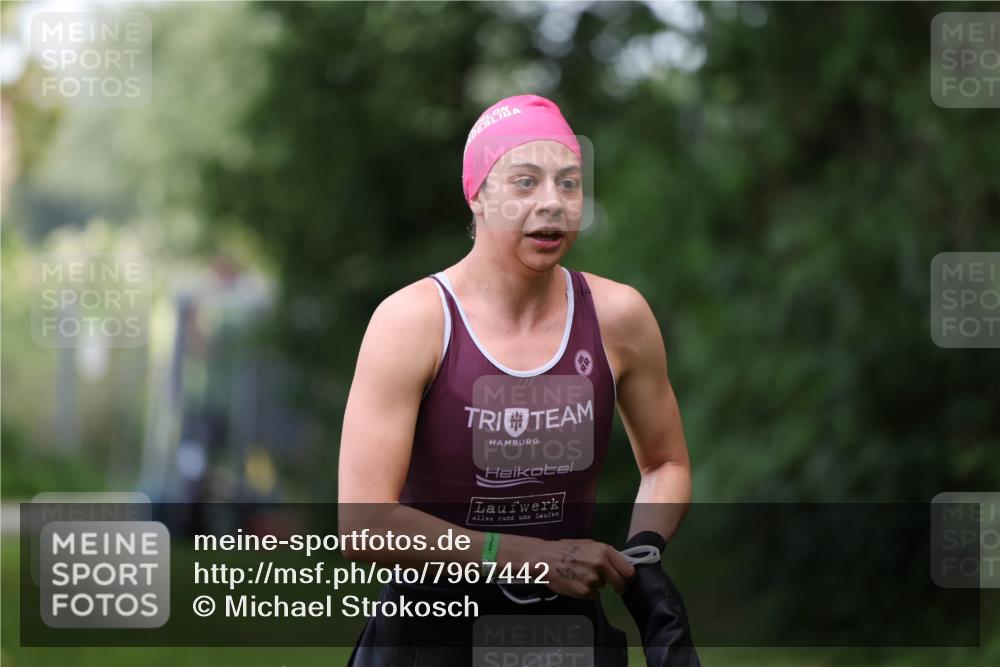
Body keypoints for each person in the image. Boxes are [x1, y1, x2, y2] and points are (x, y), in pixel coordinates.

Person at [339, 94, 695, 666]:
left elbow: (666, 464)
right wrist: (531, 557)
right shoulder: (412, 321)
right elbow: (363, 524)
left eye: (570, 183)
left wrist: (644, 552)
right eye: (525, 183)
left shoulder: (618, 316)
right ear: (477, 194)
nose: (552, 203)